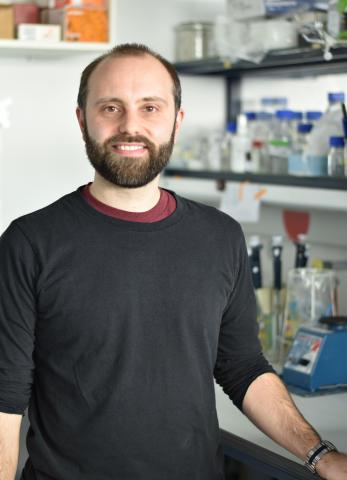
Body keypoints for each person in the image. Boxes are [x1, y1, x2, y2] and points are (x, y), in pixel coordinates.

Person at [0, 43, 346, 480]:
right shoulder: (29, 243)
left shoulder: (220, 237)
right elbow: (5, 399)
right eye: (111, 107)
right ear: (82, 118)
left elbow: (242, 367)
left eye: (150, 107)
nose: (131, 126)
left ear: (176, 122)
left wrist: (319, 453)